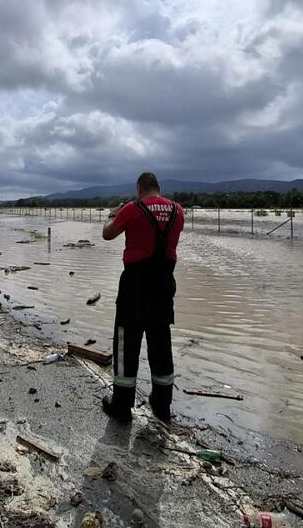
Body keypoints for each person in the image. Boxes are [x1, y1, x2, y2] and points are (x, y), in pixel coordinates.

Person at [100, 172, 184, 423]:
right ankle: (162, 405)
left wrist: (112, 215)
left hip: (135, 284)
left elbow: (107, 234)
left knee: (127, 341)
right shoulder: (178, 211)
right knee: (160, 341)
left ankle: (122, 406)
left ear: (139, 188)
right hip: (164, 283)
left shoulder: (132, 208)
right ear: (159, 187)